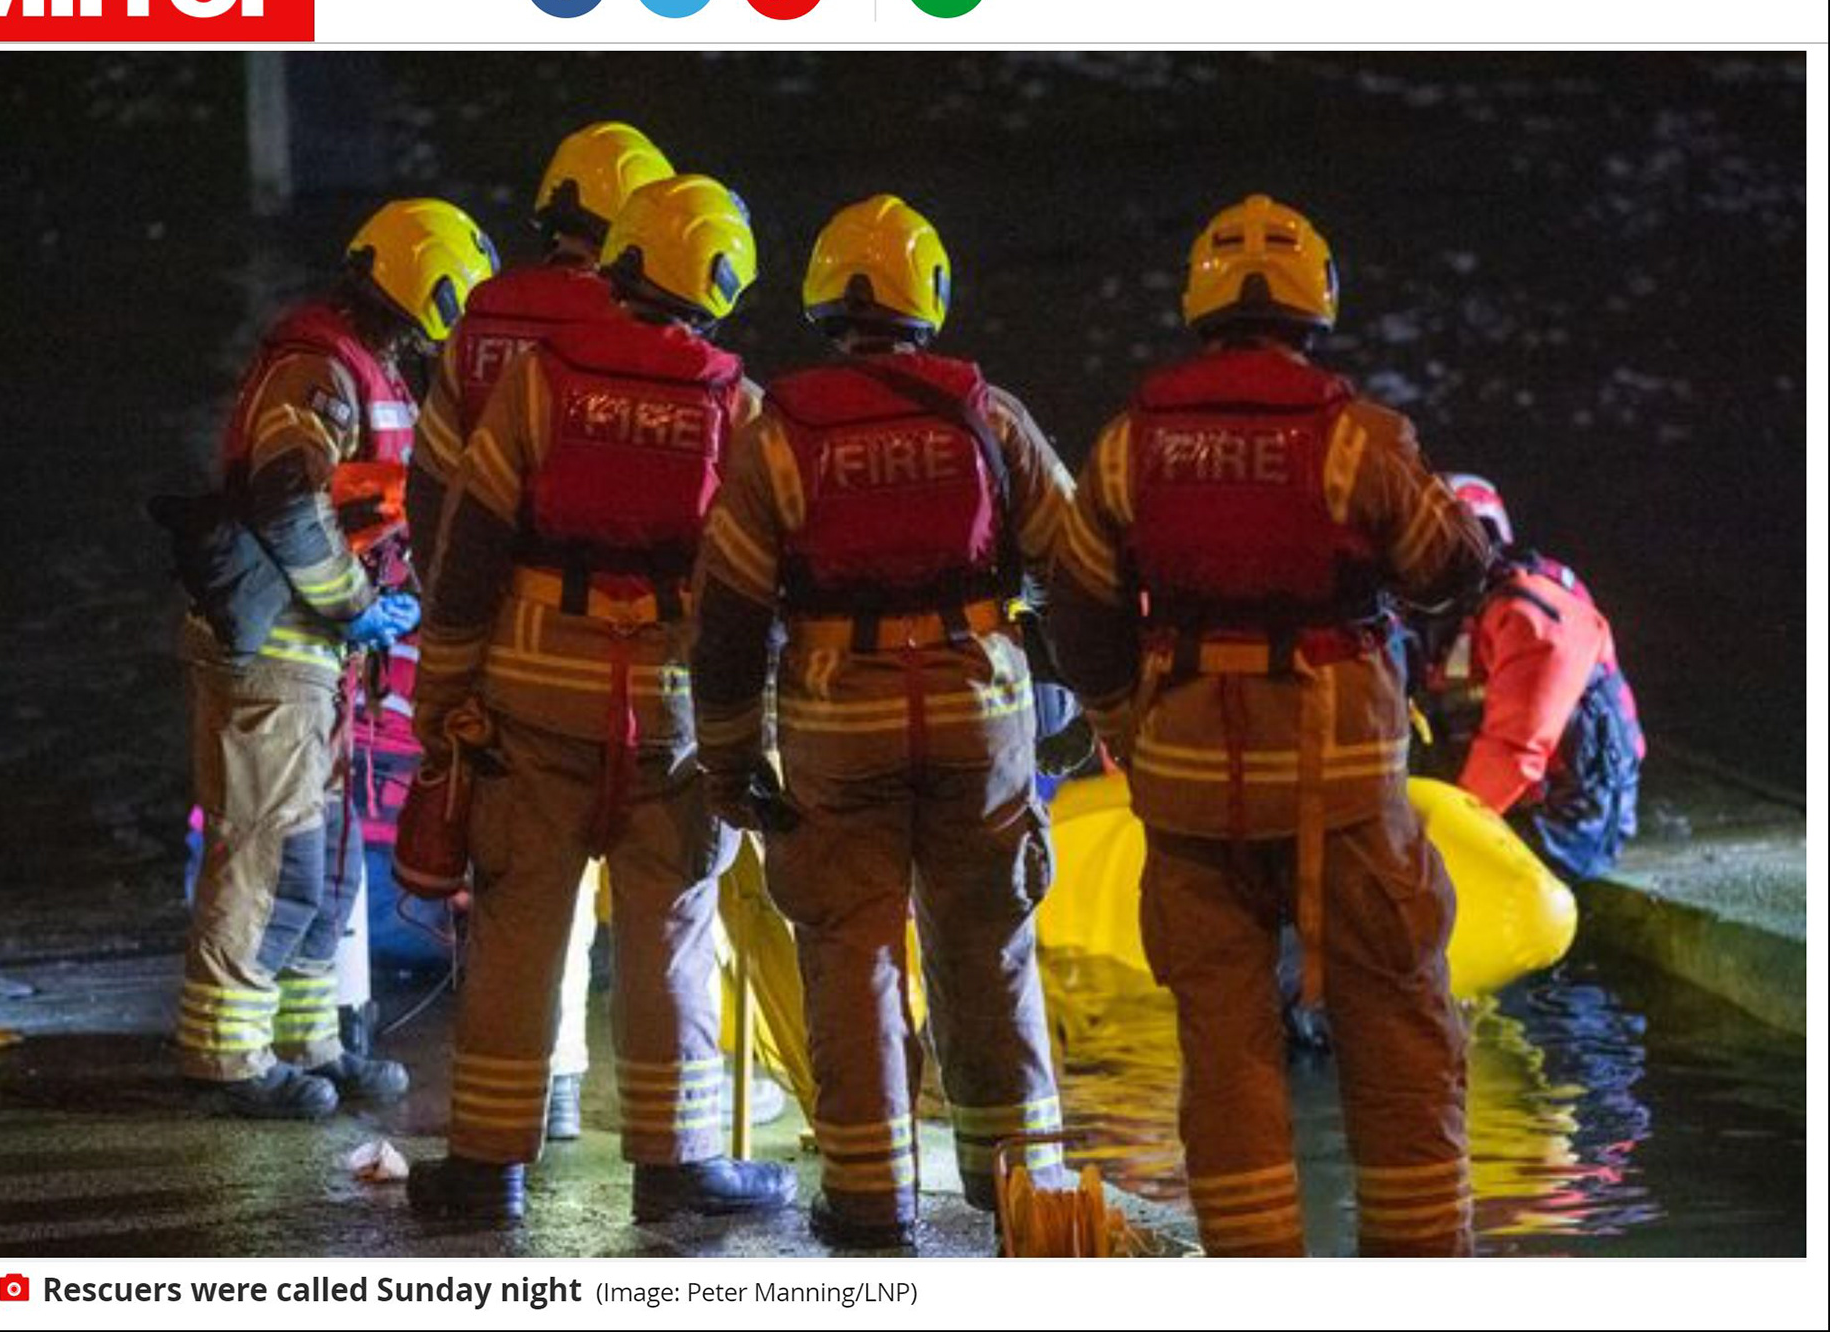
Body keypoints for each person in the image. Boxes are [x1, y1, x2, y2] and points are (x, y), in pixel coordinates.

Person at [1047, 194, 1490, 1256]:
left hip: (1190, 792)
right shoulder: (1358, 438)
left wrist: (1125, 723)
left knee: (1225, 1050)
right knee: (1401, 1032)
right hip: (1342, 790)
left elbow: (1077, 607)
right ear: (1315, 303)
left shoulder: (1129, 445)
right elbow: (1453, 567)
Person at [405, 174, 796, 1225]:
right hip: (669, 712)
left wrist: (442, 695)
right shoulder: (737, 404)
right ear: (720, 279)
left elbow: (469, 547)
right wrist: (746, 735)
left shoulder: (542, 380)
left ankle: (485, 1170)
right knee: (671, 933)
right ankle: (677, 1168)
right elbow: (756, 591)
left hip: (531, 700)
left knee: (518, 931)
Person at [692, 195, 1075, 1250]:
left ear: (825, 297)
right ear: (930, 295)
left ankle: (869, 1197)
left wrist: (730, 760)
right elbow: (1077, 563)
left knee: (849, 951)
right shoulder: (990, 418)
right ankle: (1021, 1189)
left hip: (835, 718)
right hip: (979, 712)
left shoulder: (780, 437)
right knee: (989, 943)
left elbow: (728, 614)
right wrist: (1086, 700)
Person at [176, 199, 498, 1119]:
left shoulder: (374, 366)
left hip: (317, 656)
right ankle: (226, 1058)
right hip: (281, 650)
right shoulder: (319, 369)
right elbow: (287, 498)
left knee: (322, 862)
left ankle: (306, 1041)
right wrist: (357, 605)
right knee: (266, 854)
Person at [407, 121, 674, 1140]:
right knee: (661, 913)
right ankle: (670, 1138)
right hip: (639, 667)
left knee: (518, 897)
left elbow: (436, 492)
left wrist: (449, 649)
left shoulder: (481, 322)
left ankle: (525, 1114)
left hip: (501, 645)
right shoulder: (647, 334)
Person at [1415, 474, 1645, 881]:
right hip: (1492, 808)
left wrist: (1442, 839)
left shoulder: (1532, 614)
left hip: (1567, 822)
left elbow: (1516, 748)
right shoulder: (1434, 620)